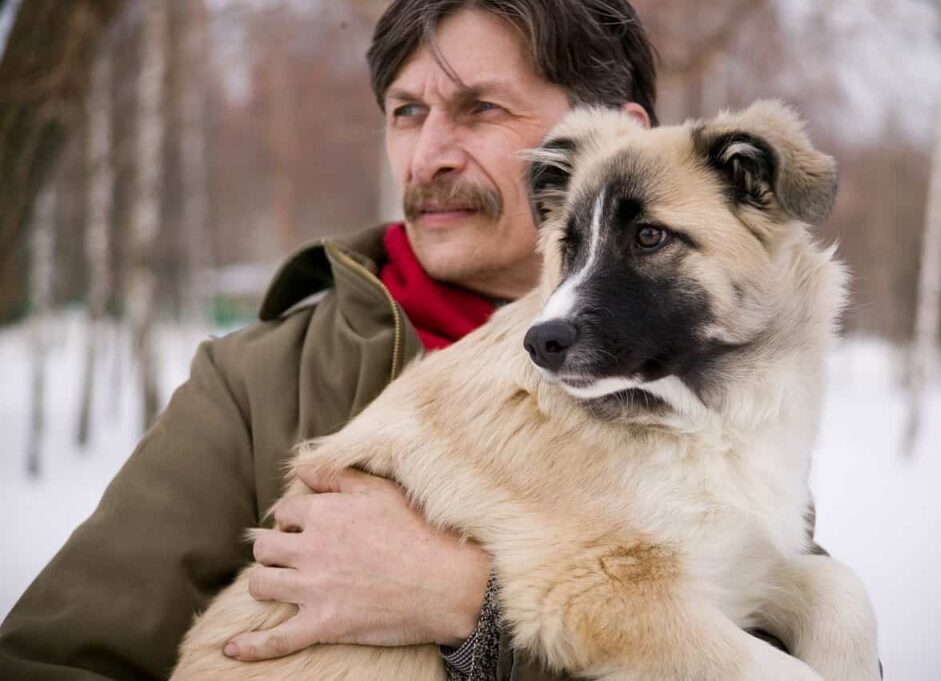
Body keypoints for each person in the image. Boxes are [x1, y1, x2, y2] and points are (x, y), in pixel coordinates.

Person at [0, 1, 667, 680]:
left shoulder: (736, 385)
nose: (428, 156)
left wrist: (477, 604)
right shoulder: (258, 384)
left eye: (481, 109)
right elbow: (51, 659)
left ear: (618, 137)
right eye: (407, 112)